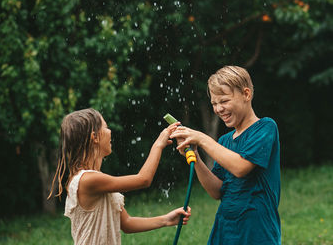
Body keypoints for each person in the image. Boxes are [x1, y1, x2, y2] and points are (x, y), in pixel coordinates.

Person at [170, 66, 281, 244]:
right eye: (214, 104)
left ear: (246, 94)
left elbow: (240, 167)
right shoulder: (224, 141)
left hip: (257, 232)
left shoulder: (265, 127)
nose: (219, 109)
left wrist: (202, 139)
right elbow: (217, 191)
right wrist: (196, 157)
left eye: (224, 101)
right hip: (225, 230)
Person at [48, 108, 191, 245]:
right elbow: (144, 179)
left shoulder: (97, 180)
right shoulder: (87, 180)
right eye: (106, 127)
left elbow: (127, 223)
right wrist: (158, 144)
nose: (110, 131)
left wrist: (166, 220)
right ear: (95, 137)